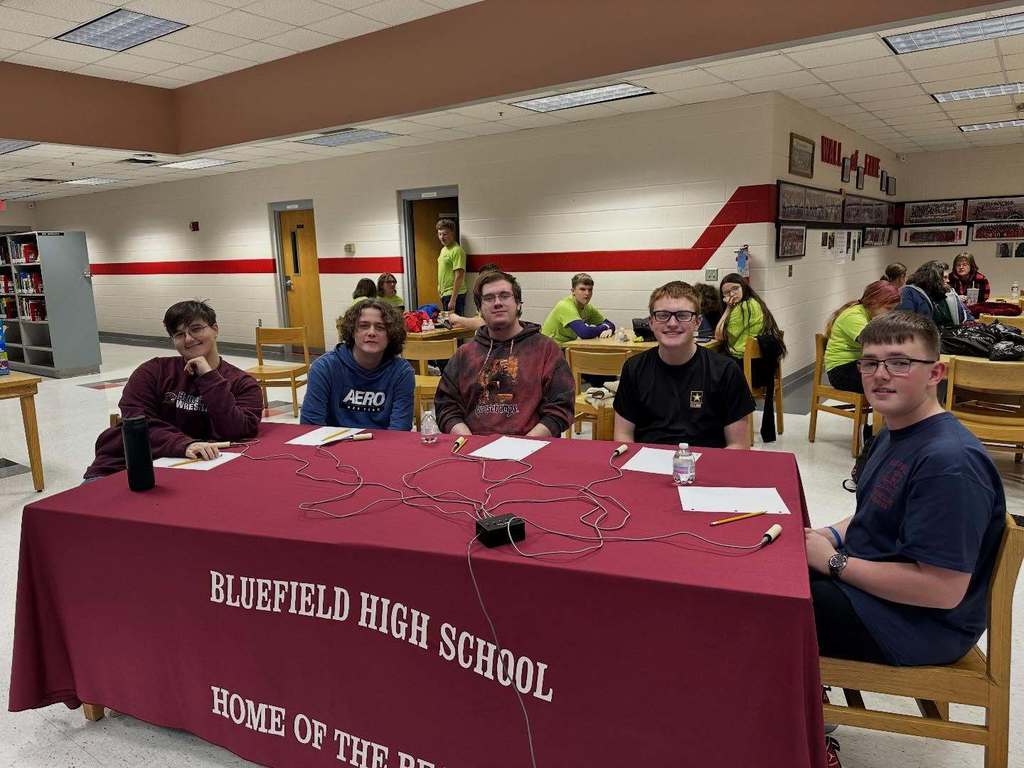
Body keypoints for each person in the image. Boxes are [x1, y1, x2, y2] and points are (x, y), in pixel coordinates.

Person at [805, 311, 1006, 763]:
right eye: (870, 362)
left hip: (919, 625)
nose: (880, 375)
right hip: (884, 600)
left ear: (936, 372)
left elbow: (941, 590)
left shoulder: (949, 462)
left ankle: (798, 731)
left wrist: (833, 562)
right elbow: (869, 516)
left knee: (768, 608)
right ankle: (805, 704)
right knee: (774, 576)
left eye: (899, 362)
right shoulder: (896, 431)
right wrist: (828, 535)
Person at [84, 300, 262, 479]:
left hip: (195, 471)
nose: (189, 339)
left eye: (196, 328)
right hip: (128, 467)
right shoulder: (152, 371)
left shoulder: (243, 384)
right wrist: (184, 445)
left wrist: (208, 376)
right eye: (179, 334)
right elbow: (136, 423)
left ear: (215, 329)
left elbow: (238, 431)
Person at [613, 281, 755, 448]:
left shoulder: (726, 371)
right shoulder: (634, 369)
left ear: (697, 322)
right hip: (648, 466)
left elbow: (738, 445)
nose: (672, 323)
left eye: (683, 315)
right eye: (662, 315)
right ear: (651, 322)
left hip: (707, 467)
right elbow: (623, 435)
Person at [434, 270, 574, 437]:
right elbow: (446, 406)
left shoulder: (546, 350)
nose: (497, 303)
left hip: (532, 449)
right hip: (473, 448)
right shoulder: (464, 355)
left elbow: (561, 407)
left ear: (518, 304)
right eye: (489, 298)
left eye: (505, 295)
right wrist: (467, 440)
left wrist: (526, 443)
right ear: (479, 308)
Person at [301, 299, 414, 430]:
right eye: (364, 326)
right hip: (332, 447)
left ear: (391, 335)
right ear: (352, 331)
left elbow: (400, 430)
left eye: (380, 327)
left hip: (383, 448)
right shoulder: (324, 368)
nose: (371, 332)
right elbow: (310, 427)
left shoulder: (402, 372)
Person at [824, 281, 900, 393]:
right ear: (874, 303)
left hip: (857, 365)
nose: (891, 313)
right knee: (897, 382)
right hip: (842, 371)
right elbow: (873, 343)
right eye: (889, 309)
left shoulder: (871, 315)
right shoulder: (853, 316)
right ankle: (886, 409)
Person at [714, 273, 787, 362]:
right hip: (762, 360)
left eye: (735, 288)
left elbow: (719, 336)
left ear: (743, 287)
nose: (732, 294)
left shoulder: (743, 307)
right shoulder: (754, 301)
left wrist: (728, 308)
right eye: (727, 292)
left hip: (742, 360)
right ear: (723, 296)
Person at [540, 272, 615, 345]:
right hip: (549, 350)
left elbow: (610, 324)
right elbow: (585, 333)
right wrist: (605, 327)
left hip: (566, 346)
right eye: (582, 289)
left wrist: (610, 329)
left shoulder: (588, 307)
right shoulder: (565, 306)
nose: (587, 293)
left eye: (590, 289)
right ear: (573, 291)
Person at [899, 261, 970, 328]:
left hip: (953, 336)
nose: (948, 281)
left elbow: (966, 315)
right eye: (945, 277)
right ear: (934, 278)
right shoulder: (910, 292)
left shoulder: (948, 292)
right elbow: (905, 323)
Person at [448, 262, 500, 333]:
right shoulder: (484, 297)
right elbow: (479, 318)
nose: (481, 283)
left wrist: (458, 319)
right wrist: (462, 323)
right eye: (480, 279)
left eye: (485, 280)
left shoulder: (498, 300)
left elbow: (485, 323)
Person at [436, 218, 467, 316]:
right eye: (440, 234)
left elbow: (459, 276)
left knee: (456, 326)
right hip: (445, 294)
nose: (442, 237)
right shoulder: (443, 250)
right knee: (448, 324)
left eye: (445, 234)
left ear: (452, 233)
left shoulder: (457, 250)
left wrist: (453, 299)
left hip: (454, 295)